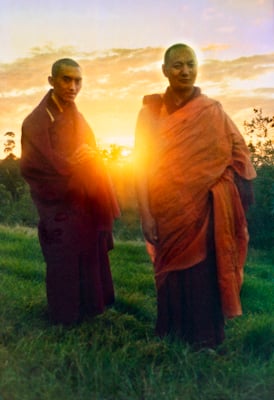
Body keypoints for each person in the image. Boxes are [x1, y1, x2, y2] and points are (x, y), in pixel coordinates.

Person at [134, 43, 256, 349]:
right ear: (164, 70)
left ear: (197, 68)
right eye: (177, 65)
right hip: (165, 208)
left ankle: (205, 339)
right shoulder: (149, 114)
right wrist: (146, 214)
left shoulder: (212, 111)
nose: (185, 71)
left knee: (203, 275)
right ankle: (171, 334)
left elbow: (239, 154)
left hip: (205, 210)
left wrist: (225, 187)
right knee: (170, 273)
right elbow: (141, 164)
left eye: (190, 64)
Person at [20, 58, 120, 325]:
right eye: (66, 79)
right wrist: (70, 164)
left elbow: (91, 153)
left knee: (89, 250)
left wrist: (91, 158)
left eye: (78, 81)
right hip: (57, 204)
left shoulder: (78, 117)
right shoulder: (35, 121)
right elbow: (34, 166)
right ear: (51, 81)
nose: (73, 86)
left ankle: (90, 308)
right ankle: (64, 317)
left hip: (84, 200)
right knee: (63, 256)